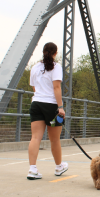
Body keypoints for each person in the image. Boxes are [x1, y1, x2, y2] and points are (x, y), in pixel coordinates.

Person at [27, 42, 67, 180]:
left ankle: (32, 169)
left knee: (35, 137)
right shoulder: (56, 67)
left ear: (43, 52)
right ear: (55, 53)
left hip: (36, 104)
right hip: (51, 106)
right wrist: (60, 107)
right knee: (54, 140)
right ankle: (59, 166)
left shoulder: (35, 67)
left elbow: (34, 88)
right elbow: (56, 88)